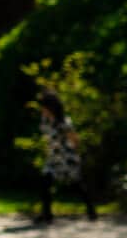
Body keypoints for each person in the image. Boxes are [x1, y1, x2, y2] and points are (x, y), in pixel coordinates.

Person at [35, 90, 97, 224]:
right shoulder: (45, 120)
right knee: (44, 183)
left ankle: (91, 211)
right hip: (53, 157)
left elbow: (75, 139)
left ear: (51, 106)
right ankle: (47, 214)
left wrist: (74, 154)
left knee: (77, 184)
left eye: (44, 106)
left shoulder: (63, 122)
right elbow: (47, 138)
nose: (42, 109)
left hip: (67, 157)